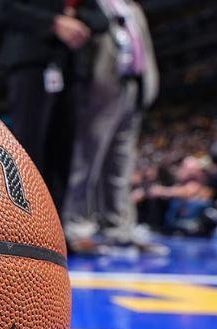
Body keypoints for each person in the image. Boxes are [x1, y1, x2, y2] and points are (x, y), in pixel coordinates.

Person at [62, 0, 165, 255]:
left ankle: (118, 228)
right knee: (87, 159)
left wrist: (148, 85)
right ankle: (77, 226)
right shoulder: (89, 5)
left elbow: (146, 49)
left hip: (134, 85)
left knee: (121, 164)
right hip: (101, 87)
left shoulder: (133, 8)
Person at [0, 0, 110, 207]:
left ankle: (56, 228)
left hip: (70, 70)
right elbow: (6, 10)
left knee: (63, 152)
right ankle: (25, 222)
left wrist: (74, 19)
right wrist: (54, 22)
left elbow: (102, 20)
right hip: (31, 64)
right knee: (28, 150)